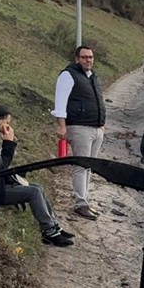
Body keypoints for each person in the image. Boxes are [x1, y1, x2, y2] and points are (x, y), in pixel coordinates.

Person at [0, 104, 74, 247]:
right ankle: (48, 232)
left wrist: (5, 151)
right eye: (7, 122)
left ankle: (54, 225)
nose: (8, 126)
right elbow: (2, 165)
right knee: (34, 192)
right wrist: (8, 142)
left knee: (38, 187)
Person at [53, 45, 105, 221]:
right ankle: (80, 203)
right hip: (79, 128)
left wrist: (102, 125)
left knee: (89, 166)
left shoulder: (93, 77)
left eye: (90, 57)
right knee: (81, 166)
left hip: (96, 128)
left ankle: (85, 201)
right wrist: (61, 125)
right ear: (77, 59)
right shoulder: (68, 75)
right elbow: (60, 102)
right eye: (84, 57)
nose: (88, 60)